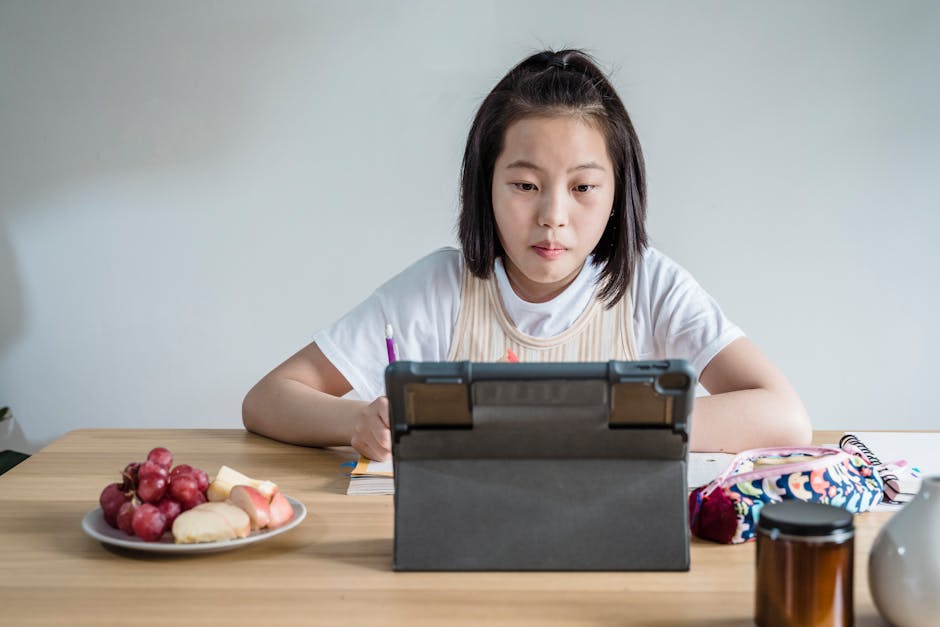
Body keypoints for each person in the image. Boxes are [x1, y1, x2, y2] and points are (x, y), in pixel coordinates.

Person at [242, 49, 811, 460]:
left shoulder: (650, 286)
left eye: (583, 188)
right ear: (484, 185)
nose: (553, 216)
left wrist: (594, 420)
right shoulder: (441, 288)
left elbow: (784, 416)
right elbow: (267, 399)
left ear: (620, 194)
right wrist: (359, 420)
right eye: (525, 185)